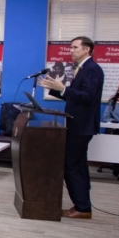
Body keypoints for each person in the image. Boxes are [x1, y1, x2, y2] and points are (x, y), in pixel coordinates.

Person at [39, 36, 105, 220]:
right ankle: (82, 205)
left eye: (75, 47)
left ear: (87, 49)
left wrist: (64, 89)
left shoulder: (92, 69)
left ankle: (82, 207)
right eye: (70, 47)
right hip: (77, 124)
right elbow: (75, 97)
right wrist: (54, 88)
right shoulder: (82, 68)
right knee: (78, 166)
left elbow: (87, 97)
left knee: (71, 165)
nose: (71, 51)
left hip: (82, 125)